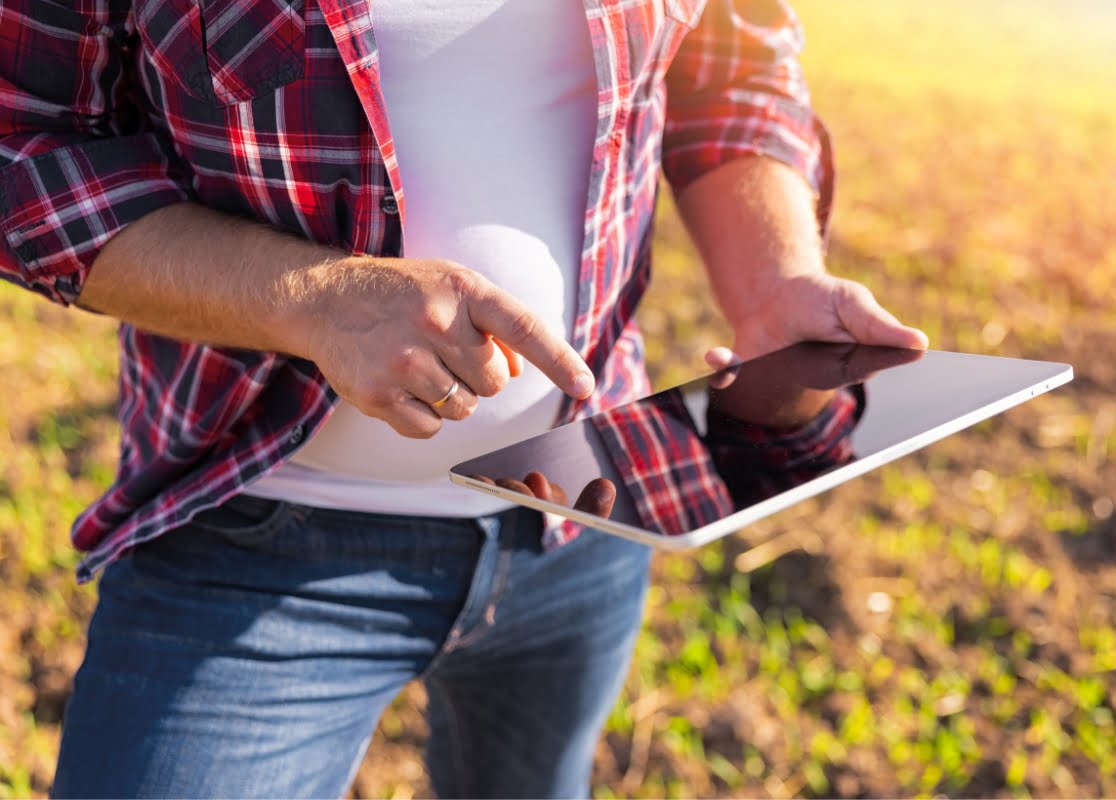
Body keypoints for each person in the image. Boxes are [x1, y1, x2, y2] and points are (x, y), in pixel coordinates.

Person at [0, 0, 928, 796]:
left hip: (581, 518)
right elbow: (22, 148)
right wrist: (316, 300)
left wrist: (774, 277)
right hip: (249, 545)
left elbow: (732, 72)